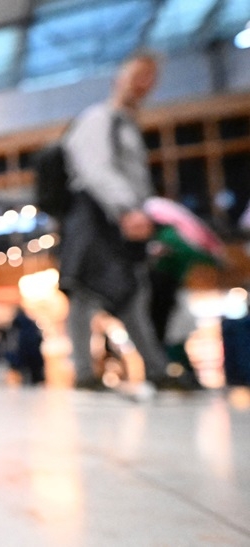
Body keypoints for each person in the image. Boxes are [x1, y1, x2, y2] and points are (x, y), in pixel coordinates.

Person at [59, 51, 192, 394]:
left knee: (131, 291)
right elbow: (95, 169)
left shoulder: (127, 126)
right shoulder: (100, 119)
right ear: (120, 77)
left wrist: (145, 217)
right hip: (98, 217)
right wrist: (125, 209)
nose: (144, 83)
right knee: (84, 292)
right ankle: (85, 374)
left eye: (151, 77)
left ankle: (156, 368)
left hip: (122, 219)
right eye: (138, 74)